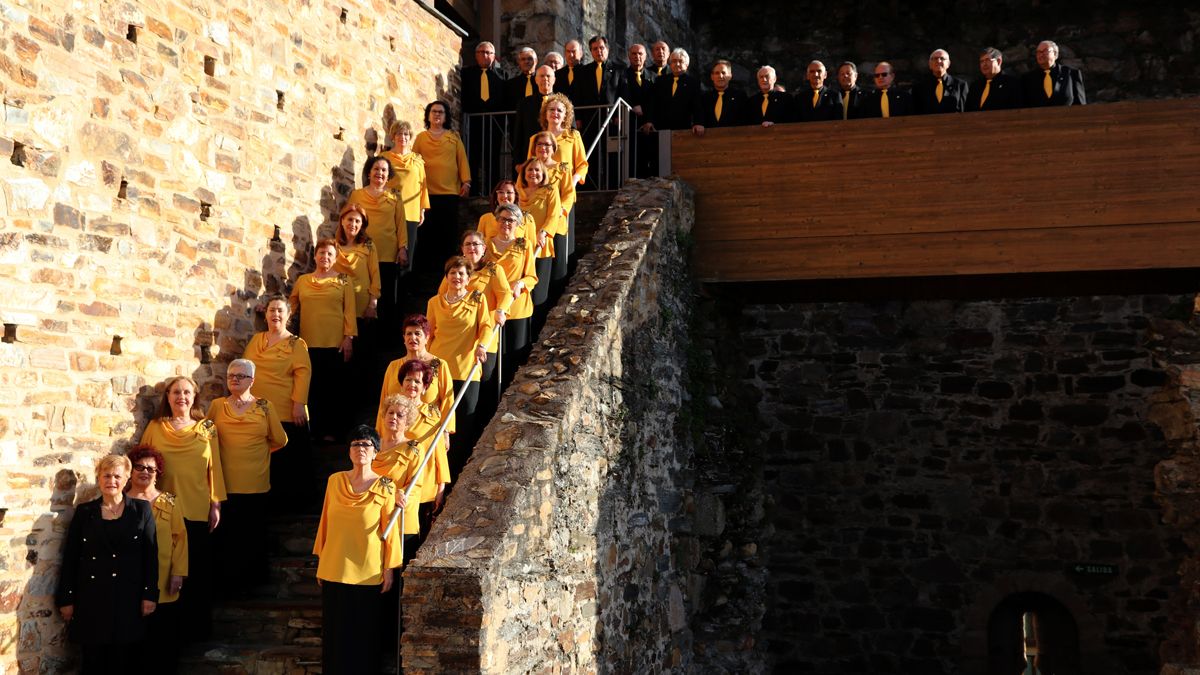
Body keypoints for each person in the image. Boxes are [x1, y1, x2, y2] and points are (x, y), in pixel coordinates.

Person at [313, 425, 403, 675]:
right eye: (355, 444)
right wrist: (321, 558)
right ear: (348, 451)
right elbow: (325, 521)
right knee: (335, 631)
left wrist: (389, 568)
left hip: (368, 569)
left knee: (364, 632)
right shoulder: (335, 481)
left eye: (366, 444)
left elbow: (390, 529)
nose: (360, 448)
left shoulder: (387, 485)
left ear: (375, 452)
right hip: (334, 566)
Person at [138, 376, 223, 640]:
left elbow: (215, 467)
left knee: (195, 574)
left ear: (195, 397)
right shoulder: (155, 426)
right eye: (175, 392)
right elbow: (141, 463)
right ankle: (168, 634)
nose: (181, 397)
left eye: (187, 392)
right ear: (168, 397)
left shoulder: (207, 427)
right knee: (164, 572)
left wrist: (215, 503)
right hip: (161, 508)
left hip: (197, 507)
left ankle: (195, 633)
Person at [56, 453, 157, 673]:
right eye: (106, 475)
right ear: (99, 478)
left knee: (123, 660)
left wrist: (149, 594)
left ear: (127, 478)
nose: (112, 481)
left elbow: (150, 555)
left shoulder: (141, 510)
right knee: (92, 660)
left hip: (128, 597)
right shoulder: (85, 513)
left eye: (117, 476)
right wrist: (67, 598)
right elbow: (71, 556)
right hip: (91, 598)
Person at [207, 359, 287, 594]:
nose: (234, 379)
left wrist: (259, 452)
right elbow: (205, 440)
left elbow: (280, 440)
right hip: (225, 484)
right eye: (231, 375)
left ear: (252, 380)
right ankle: (227, 587)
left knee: (251, 536)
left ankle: (252, 585)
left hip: (256, 483)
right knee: (228, 538)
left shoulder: (264, 406)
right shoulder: (216, 406)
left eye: (240, 376)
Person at [243, 294, 313, 511]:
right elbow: (244, 369)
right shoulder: (257, 340)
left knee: (288, 464)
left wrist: (299, 403)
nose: (276, 314)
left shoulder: (296, 343)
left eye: (280, 310)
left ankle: (290, 508)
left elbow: (303, 373)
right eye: (272, 310)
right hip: (258, 410)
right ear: (266, 315)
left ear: (288, 315)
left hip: (286, 411)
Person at [427, 256, 495, 470]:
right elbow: (428, 334)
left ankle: (458, 470)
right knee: (437, 421)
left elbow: (485, 325)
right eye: (453, 273)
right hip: (438, 367)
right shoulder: (434, 302)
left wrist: (482, 345)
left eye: (462, 274)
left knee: (465, 420)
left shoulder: (477, 299)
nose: (457, 277)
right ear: (446, 277)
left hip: (466, 367)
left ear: (468, 278)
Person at [126, 445, 187, 674]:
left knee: (161, 634)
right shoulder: (120, 501)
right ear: (131, 471)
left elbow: (180, 538)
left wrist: (178, 572)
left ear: (158, 473)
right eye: (140, 467)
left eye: (151, 469)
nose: (145, 472)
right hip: (130, 578)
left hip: (164, 576)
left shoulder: (169, 501)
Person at [289, 238, 356, 441]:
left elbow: (350, 311)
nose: (324, 257)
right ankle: (315, 431)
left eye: (329, 254)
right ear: (315, 256)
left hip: (335, 343)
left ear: (335, 258)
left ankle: (333, 431)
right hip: (308, 343)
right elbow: (291, 305)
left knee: (333, 389)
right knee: (313, 388)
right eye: (321, 253)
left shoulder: (344, 280)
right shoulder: (303, 281)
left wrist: (349, 338)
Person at [442, 230, 513, 415]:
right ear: (462, 249)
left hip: (484, 336)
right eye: (468, 244)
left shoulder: (494, 269)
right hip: (459, 339)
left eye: (476, 244)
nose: (472, 248)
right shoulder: (456, 271)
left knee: (485, 384)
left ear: (484, 248)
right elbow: (441, 296)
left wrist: (501, 310)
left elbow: (505, 294)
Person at [380, 362, 450, 536]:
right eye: (408, 380)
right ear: (401, 383)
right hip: (395, 484)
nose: (412, 385)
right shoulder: (391, 411)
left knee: (417, 537)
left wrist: (441, 486)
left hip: (425, 484)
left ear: (425, 387)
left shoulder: (433, 413)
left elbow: (439, 452)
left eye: (417, 382)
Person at [528, 94, 586, 271]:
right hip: (540, 199)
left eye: (559, 110)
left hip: (563, 195)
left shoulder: (573, 136)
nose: (555, 113)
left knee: (562, 243)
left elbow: (582, 164)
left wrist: (573, 180)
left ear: (566, 115)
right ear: (545, 114)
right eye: (551, 110)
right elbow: (530, 168)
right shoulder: (536, 139)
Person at [412, 101, 471, 275]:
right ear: (428, 115)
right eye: (434, 111)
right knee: (426, 237)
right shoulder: (421, 138)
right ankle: (425, 277)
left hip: (449, 194)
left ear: (446, 116)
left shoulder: (453, 137)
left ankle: (446, 275)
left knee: (447, 236)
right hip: (427, 195)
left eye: (441, 112)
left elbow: (462, 160)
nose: (437, 115)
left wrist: (466, 182)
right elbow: (414, 161)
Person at [375, 314, 455, 439]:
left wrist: (445, 432)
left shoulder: (440, 365)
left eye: (418, 333)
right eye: (409, 334)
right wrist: (379, 433)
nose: (413, 337)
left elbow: (448, 401)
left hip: (427, 434)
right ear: (404, 338)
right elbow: (383, 402)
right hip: (395, 434)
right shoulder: (393, 366)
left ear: (427, 337)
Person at [348, 156, 405, 324]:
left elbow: (400, 223)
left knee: (385, 295)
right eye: (376, 169)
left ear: (388, 175)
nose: (379, 173)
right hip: (362, 251)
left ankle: (384, 337)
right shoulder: (356, 195)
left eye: (383, 170)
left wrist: (403, 248)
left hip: (387, 252)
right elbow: (349, 219)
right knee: (363, 292)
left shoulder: (395, 196)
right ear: (369, 172)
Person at [486, 203, 538, 377]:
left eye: (510, 220)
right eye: (502, 219)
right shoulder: (485, 244)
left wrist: (521, 283)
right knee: (493, 359)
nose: (505, 223)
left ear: (518, 223)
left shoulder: (525, 245)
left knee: (515, 357)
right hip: (492, 306)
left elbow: (532, 277)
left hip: (517, 307)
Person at [333, 203, 381, 387]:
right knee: (342, 356)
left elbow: (375, 276)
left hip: (362, 309)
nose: (353, 224)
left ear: (362, 225)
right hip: (339, 309)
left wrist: (372, 304)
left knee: (362, 356)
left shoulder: (368, 246)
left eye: (358, 221)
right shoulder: (334, 246)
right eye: (350, 219)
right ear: (342, 221)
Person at [379, 120, 429, 275]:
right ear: (393, 137)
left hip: (411, 212)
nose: (403, 137)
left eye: (406, 134)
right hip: (389, 210)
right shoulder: (384, 157)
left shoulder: (417, 160)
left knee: (407, 254)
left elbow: (423, 185)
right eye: (399, 133)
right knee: (390, 252)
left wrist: (422, 210)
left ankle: (405, 292)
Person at [517, 157, 563, 312]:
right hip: (520, 249)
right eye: (530, 169)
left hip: (540, 246)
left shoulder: (551, 190)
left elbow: (553, 215)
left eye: (537, 170)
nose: (533, 173)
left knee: (538, 294)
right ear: (524, 173)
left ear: (543, 173)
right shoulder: (517, 192)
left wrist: (542, 233)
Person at [460, 41, 506, 197]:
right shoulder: (466, 74)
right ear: (476, 55)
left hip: (494, 123)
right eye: (482, 52)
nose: (485, 56)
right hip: (473, 122)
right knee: (472, 156)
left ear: (494, 56)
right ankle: (473, 191)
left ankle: (492, 191)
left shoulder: (502, 75)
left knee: (492, 157)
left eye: (489, 53)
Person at [621, 43, 656, 178]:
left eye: (640, 54)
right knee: (631, 157)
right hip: (629, 124)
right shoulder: (622, 75)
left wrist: (649, 120)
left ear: (646, 56)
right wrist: (632, 106)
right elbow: (620, 94)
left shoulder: (653, 77)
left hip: (648, 124)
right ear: (629, 56)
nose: (637, 57)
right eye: (634, 54)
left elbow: (655, 101)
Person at [648, 48, 701, 131]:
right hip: (661, 127)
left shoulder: (693, 83)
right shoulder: (660, 81)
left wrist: (698, 123)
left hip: (684, 128)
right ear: (670, 63)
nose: (677, 64)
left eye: (681, 61)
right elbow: (653, 102)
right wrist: (649, 121)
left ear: (687, 65)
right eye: (674, 61)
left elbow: (697, 105)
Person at [1022, 40, 1086, 107]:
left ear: (1055, 54)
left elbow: (1081, 106)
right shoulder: (1027, 79)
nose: (1040, 54)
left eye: (1045, 51)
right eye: (1038, 52)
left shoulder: (1071, 74)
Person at [515, 65, 556, 165]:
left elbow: (571, 130)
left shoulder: (563, 102)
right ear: (536, 80)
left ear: (554, 80)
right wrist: (518, 162)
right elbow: (518, 133)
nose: (545, 79)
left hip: (557, 156)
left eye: (548, 76)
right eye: (541, 76)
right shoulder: (525, 104)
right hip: (531, 157)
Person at [694, 60, 746, 136]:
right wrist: (698, 124)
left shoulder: (740, 97)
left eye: (723, 73)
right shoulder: (704, 99)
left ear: (730, 76)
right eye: (717, 73)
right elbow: (699, 120)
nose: (720, 76)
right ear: (712, 77)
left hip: (734, 141)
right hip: (708, 142)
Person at [912, 49, 969, 114]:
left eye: (942, 58)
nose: (938, 61)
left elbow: (965, 112)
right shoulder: (919, 88)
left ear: (948, 64)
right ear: (930, 64)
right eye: (935, 59)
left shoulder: (960, 85)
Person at [967, 47, 1024, 111]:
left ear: (999, 61)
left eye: (987, 60)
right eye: (981, 61)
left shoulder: (1012, 84)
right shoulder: (975, 86)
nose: (984, 64)